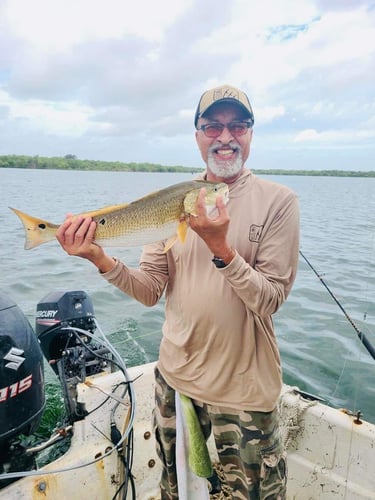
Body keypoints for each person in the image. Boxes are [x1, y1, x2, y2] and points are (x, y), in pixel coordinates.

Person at [56, 84, 300, 499]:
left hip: (243, 395)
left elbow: (269, 299)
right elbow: (150, 290)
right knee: (177, 492)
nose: (226, 137)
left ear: (251, 133)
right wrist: (100, 258)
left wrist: (221, 248)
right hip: (175, 384)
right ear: (198, 136)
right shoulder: (173, 204)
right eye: (213, 126)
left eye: (238, 126)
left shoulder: (279, 202)